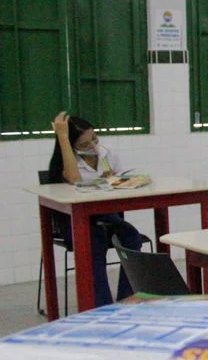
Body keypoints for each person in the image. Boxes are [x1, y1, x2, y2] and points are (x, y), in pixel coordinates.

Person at [48, 111, 144, 307]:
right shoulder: (66, 160)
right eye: (84, 145)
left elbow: (117, 181)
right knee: (94, 242)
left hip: (107, 217)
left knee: (131, 236)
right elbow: (74, 179)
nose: (92, 146)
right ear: (72, 146)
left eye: (94, 139)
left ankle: (126, 300)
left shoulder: (106, 153)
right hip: (75, 222)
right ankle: (102, 307)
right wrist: (63, 138)